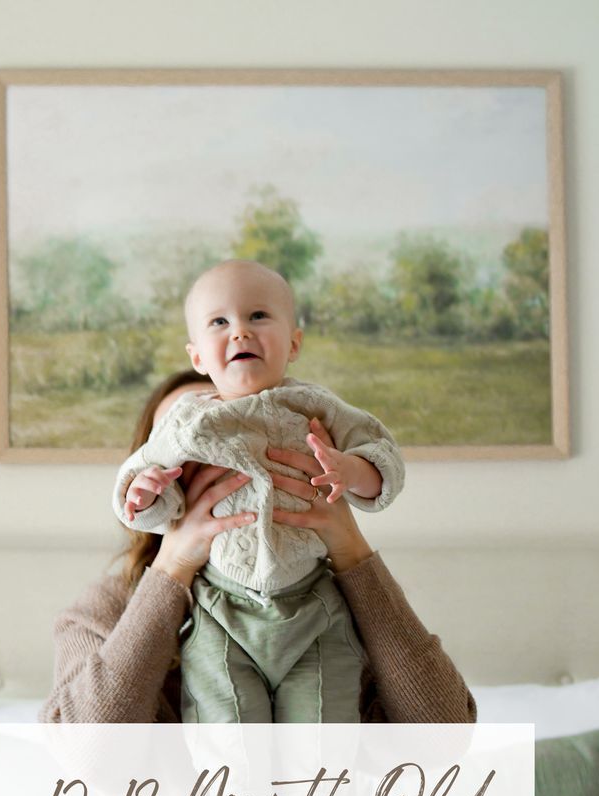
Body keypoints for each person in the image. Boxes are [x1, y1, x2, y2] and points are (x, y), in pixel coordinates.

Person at [40, 368, 475, 729]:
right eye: (193, 442)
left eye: (240, 437)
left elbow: (443, 737)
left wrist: (351, 550)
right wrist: (173, 566)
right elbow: (89, 757)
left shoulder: (329, 604)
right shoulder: (107, 608)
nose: (222, 459)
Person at [111, 260, 407, 723]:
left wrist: (350, 469)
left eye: (258, 316)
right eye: (220, 322)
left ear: (294, 343)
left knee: (321, 730)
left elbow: (383, 458)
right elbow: (142, 475)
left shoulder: (317, 406)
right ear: (198, 358)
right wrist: (145, 493)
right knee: (229, 730)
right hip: (219, 606)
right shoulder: (188, 420)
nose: (240, 332)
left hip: (313, 599)